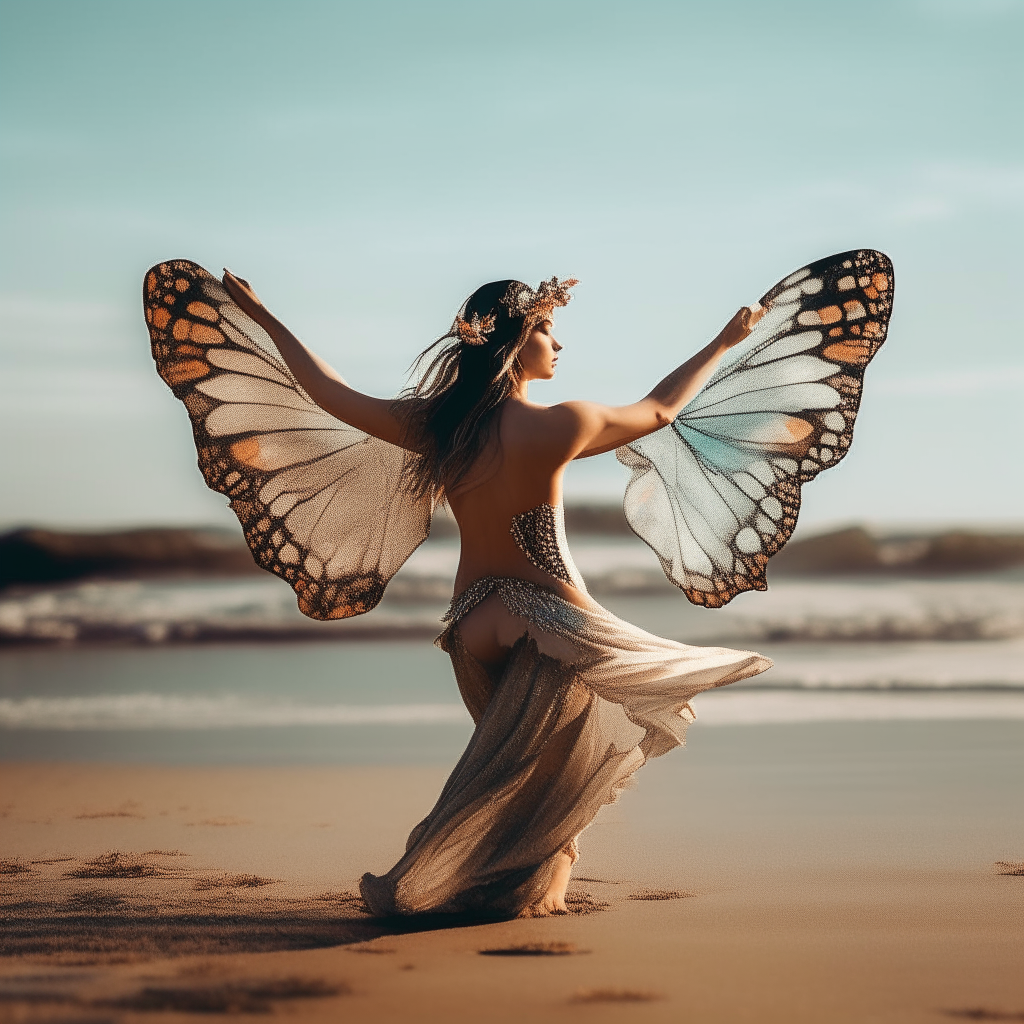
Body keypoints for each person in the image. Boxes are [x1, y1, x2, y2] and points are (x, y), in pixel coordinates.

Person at [145, 249, 892, 917]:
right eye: (546, 331)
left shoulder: (436, 428)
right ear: (514, 340)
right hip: (548, 621)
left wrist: (265, 316)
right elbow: (664, 409)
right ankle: (500, 888)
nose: (557, 344)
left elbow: (326, 392)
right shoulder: (562, 424)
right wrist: (725, 343)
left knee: (510, 773)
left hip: (470, 628)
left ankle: (483, 881)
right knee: (554, 774)